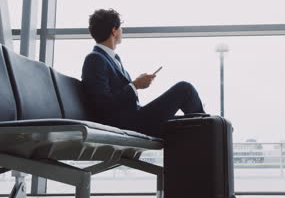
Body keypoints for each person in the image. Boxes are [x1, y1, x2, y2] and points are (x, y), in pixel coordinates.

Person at [81, 8, 205, 137]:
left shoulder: (111, 59)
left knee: (188, 124)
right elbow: (103, 104)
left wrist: (136, 84)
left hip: (133, 119)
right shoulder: (95, 59)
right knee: (184, 89)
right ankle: (208, 131)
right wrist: (135, 85)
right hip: (126, 123)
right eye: (120, 28)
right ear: (114, 31)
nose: (122, 32)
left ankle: (208, 134)